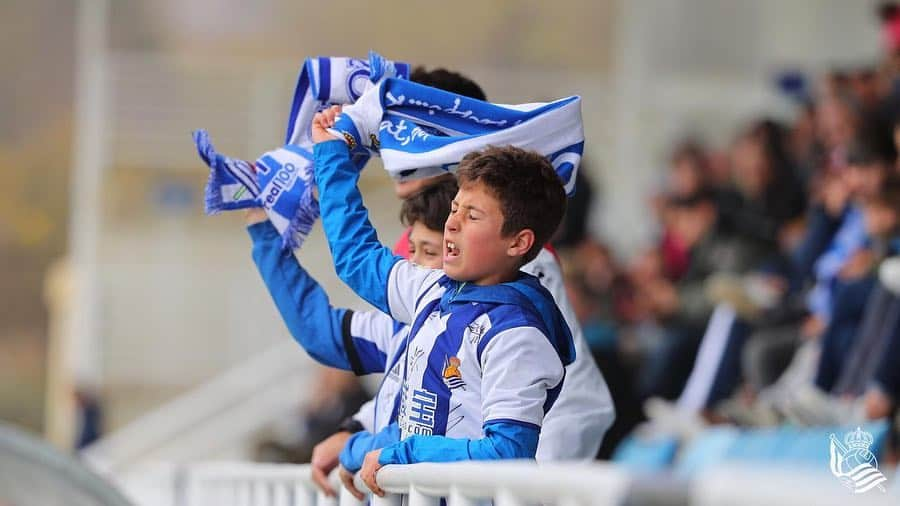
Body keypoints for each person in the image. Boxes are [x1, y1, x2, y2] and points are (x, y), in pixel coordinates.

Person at [310, 105, 576, 496]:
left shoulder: (518, 334)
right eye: (455, 209)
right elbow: (355, 256)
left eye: (472, 215)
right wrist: (332, 154)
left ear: (519, 242)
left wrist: (401, 454)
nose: (452, 223)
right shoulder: (431, 289)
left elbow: (507, 454)